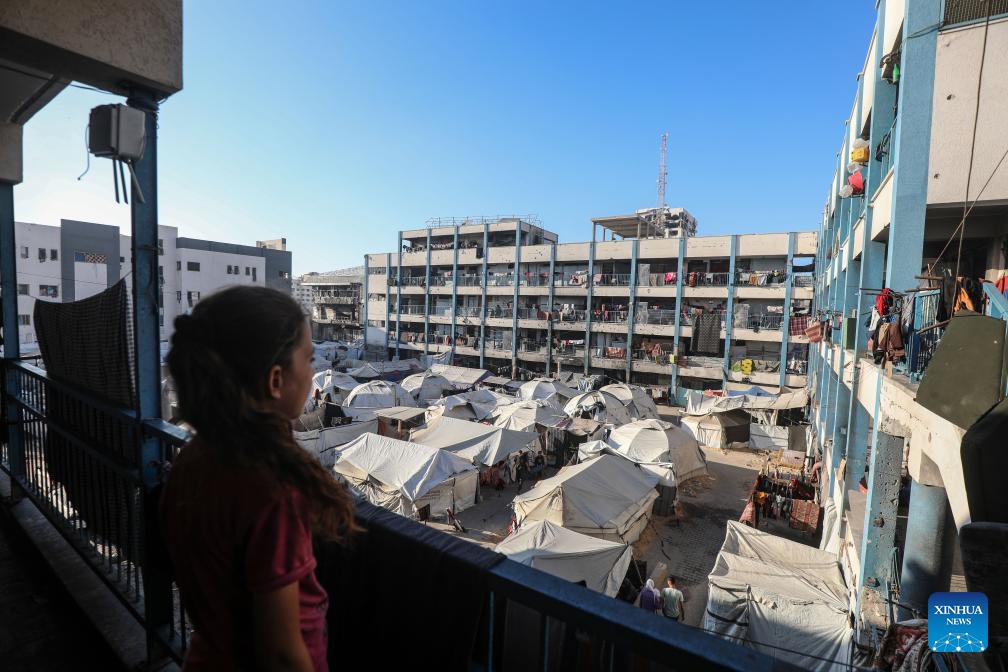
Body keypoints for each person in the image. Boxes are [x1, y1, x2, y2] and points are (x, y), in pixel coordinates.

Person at [160, 286, 358, 672]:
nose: (313, 372)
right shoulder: (272, 490)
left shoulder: (195, 457)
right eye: (308, 359)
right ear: (275, 380)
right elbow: (281, 655)